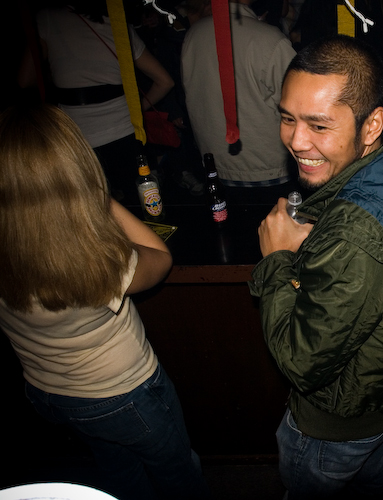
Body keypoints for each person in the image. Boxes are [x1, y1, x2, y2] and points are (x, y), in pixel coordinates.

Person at [248, 35, 383, 498]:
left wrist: (278, 259)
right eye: (287, 117)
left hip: (335, 425)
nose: (295, 140)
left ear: (371, 124)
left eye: (318, 125)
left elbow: (301, 362)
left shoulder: (352, 240)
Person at [0, 104, 209, 500]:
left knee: (118, 470)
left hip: (47, 392)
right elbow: (160, 258)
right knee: (180, 474)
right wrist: (95, 197)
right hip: (123, 395)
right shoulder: (93, 256)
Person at [17, 1, 177, 203]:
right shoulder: (117, 23)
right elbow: (165, 81)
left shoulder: (47, 17)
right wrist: (136, 110)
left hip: (78, 135)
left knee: (91, 208)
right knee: (140, 205)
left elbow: (25, 80)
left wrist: (57, 75)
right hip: (124, 132)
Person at [181, 0, 297, 198]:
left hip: (215, 165)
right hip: (268, 168)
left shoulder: (193, 34)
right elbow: (300, 104)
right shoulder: (269, 39)